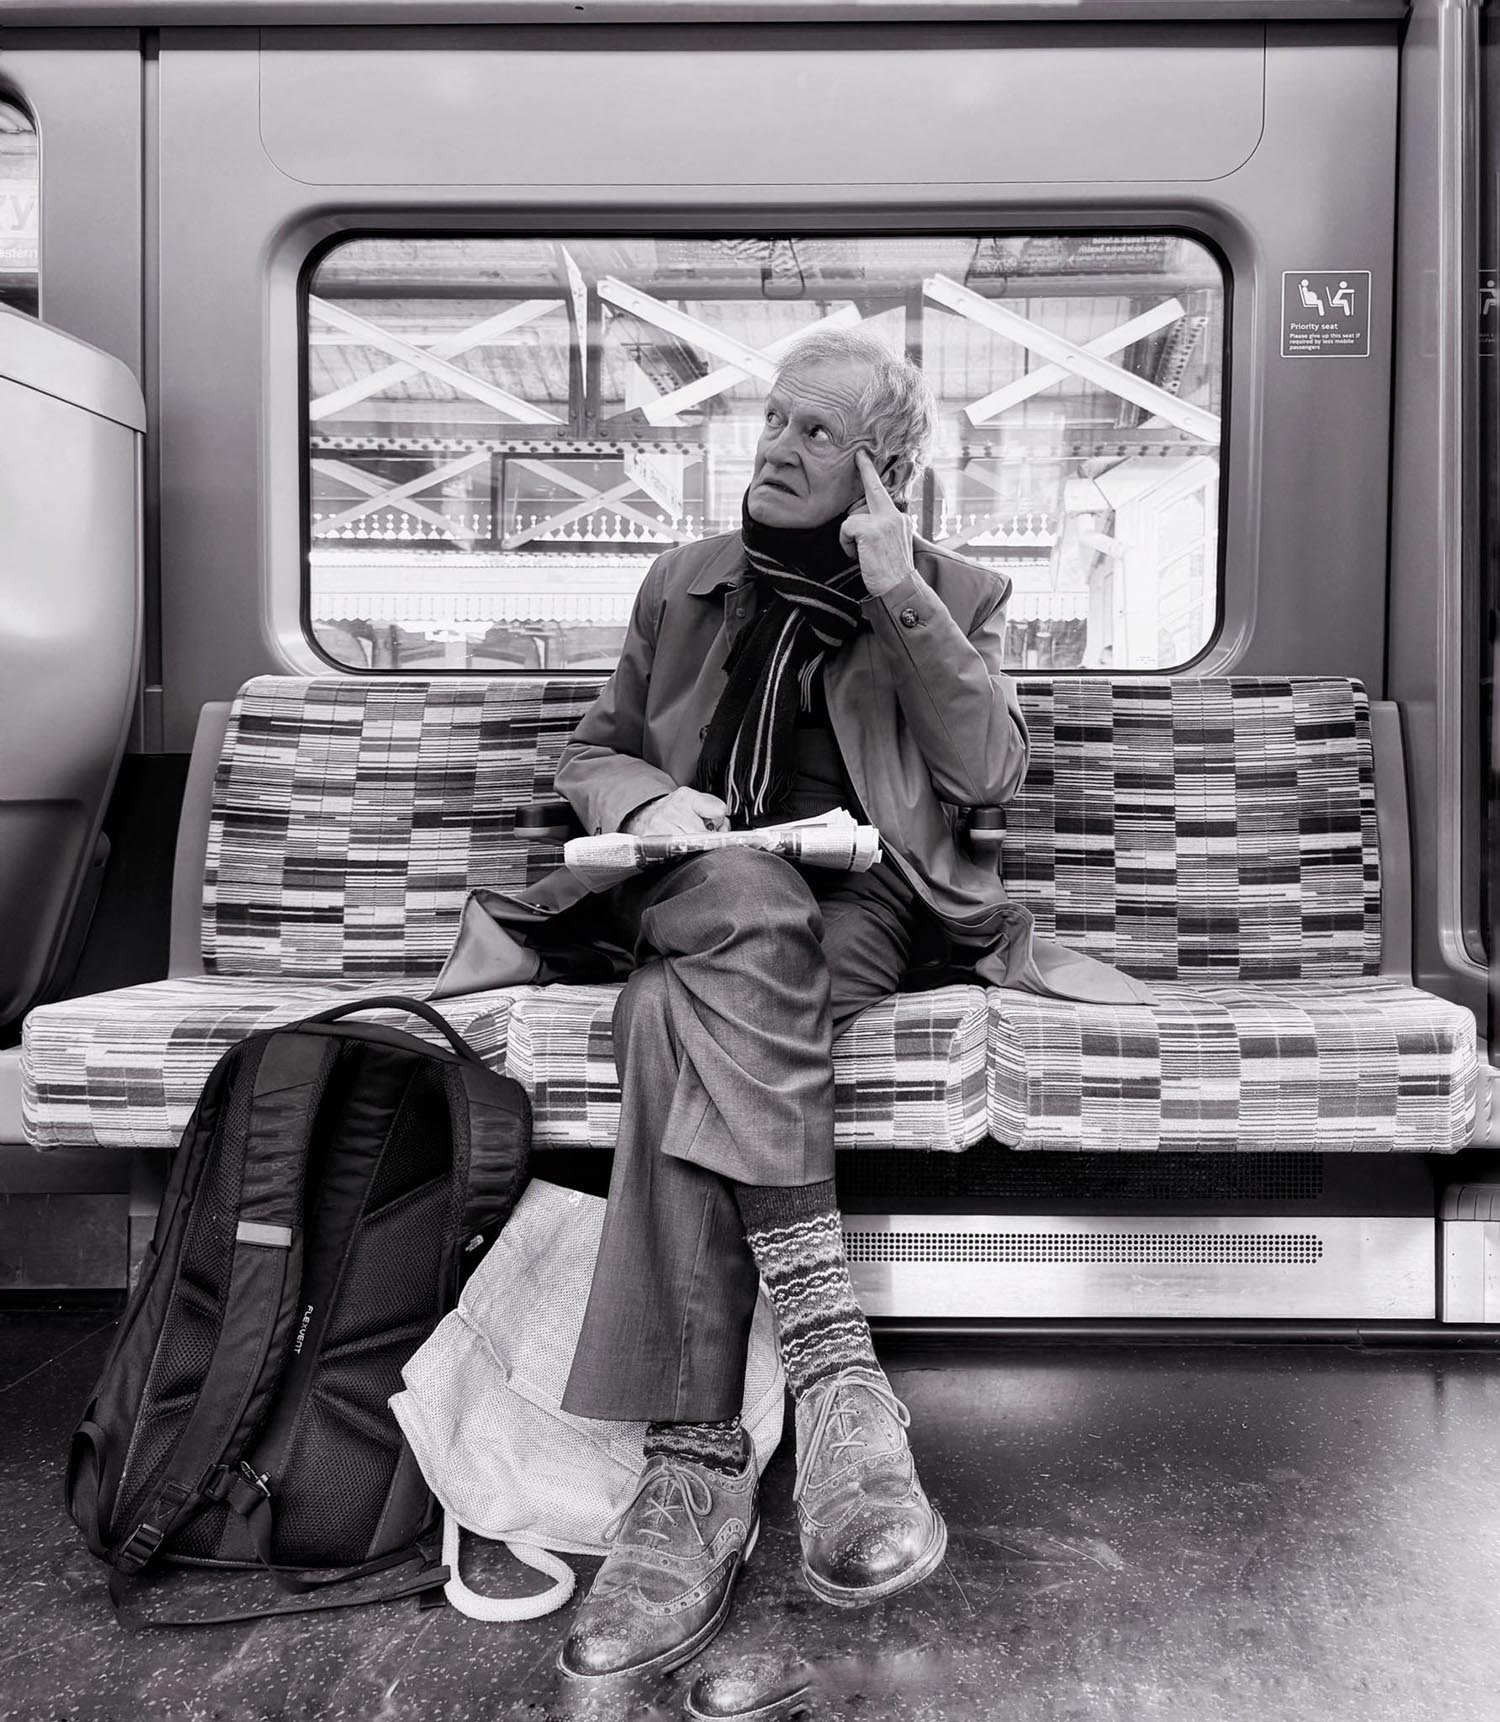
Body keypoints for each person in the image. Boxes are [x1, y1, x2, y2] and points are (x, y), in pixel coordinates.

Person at [539, 325, 1041, 1683]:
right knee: (738, 899)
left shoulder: (949, 591)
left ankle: (695, 1467)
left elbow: (986, 772)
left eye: (819, 432)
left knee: (670, 1016)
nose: (777, 446)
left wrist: (897, 590)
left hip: (862, 910)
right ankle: (833, 1372)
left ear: (885, 473)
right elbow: (592, 749)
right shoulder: (685, 581)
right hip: (687, 882)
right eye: (774, 419)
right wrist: (651, 799)